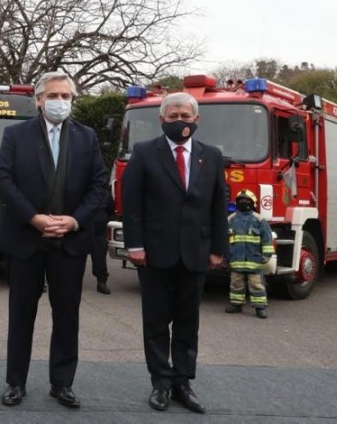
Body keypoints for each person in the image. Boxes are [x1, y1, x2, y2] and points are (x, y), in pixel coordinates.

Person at [0, 71, 107, 408]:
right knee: (21, 315)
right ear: (39, 99)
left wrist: (73, 221)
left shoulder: (88, 138)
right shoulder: (16, 135)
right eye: (54, 96)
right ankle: (16, 382)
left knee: (67, 316)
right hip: (26, 240)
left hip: (69, 242)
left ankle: (62, 384)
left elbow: (98, 185)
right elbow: (3, 180)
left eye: (66, 96)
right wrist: (35, 218)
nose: (60, 102)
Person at [121, 92, 228, 414]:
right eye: (173, 116)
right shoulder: (143, 153)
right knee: (155, 322)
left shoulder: (211, 156)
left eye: (185, 116)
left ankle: (183, 382)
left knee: (187, 322)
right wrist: (135, 245)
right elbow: (132, 204)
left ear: (196, 120)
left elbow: (217, 205)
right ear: (161, 120)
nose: (179, 121)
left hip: (195, 253)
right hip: (154, 253)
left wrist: (218, 248)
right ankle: (160, 384)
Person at [225, 189, 274, 319]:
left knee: (256, 285)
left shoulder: (259, 220)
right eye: (241, 200)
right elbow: (225, 239)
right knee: (236, 283)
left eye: (247, 201)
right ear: (236, 203)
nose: (244, 202)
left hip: (254, 261)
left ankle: (260, 308)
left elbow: (267, 239)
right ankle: (236, 304)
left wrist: (267, 255)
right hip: (236, 260)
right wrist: (225, 256)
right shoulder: (231, 219)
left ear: (253, 203)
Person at [89, 183, 114, 295]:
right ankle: (101, 281)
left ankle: (101, 281)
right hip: (99, 220)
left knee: (77, 250)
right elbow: (111, 208)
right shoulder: (104, 191)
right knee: (99, 252)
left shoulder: (83, 187)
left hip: (86, 221)